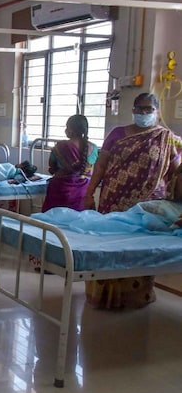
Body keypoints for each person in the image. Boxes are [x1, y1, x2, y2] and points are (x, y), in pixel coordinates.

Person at [84, 92, 182, 309]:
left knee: (139, 251)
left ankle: (135, 298)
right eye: (139, 109)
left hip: (148, 208)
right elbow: (100, 165)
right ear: (133, 111)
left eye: (148, 109)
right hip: (114, 201)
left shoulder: (167, 139)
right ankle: (103, 297)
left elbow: (177, 173)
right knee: (108, 248)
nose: (143, 113)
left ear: (157, 112)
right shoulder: (117, 134)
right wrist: (89, 192)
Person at [41, 114, 98, 212]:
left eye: (67, 127)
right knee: (78, 224)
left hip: (59, 191)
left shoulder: (60, 147)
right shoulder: (94, 148)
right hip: (83, 192)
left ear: (71, 129)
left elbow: (52, 168)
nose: (66, 130)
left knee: (52, 224)